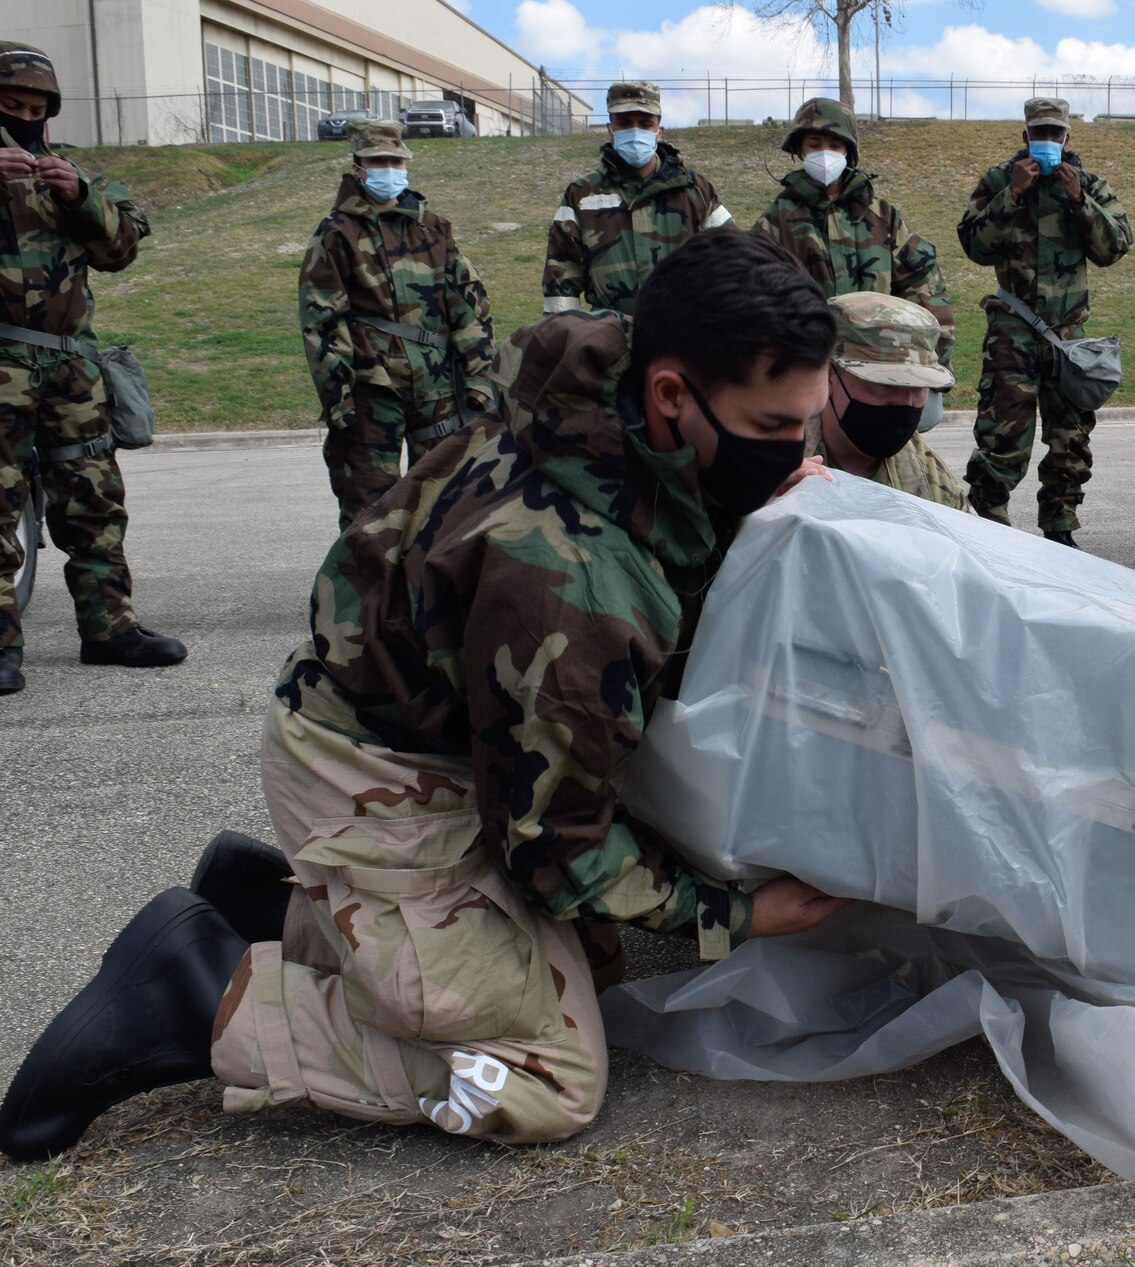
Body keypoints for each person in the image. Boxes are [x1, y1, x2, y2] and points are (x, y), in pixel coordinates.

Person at [0, 228, 850, 1161]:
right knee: (551, 1067)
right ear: (672, 395)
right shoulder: (575, 581)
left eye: (804, 423)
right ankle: (196, 991)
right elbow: (556, 852)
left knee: (587, 966)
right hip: (381, 771)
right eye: (772, 429)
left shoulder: (593, 412)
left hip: (421, 738)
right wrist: (735, 917)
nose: (794, 450)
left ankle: (280, 906)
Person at [0, 43, 185, 695]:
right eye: (10, 105)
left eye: (36, 107)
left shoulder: (68, 171)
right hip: (2, 363)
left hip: (72, 366)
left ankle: (110, 629)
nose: (25, 117)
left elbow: (122, 246)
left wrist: (78, 194)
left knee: (94, 498)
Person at [298, 119, 495, 529]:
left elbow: (466, 304)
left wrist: (480, 378)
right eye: (377, 161)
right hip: (373, 389)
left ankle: (433, 592)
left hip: (438, 388)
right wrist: (339, 399)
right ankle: (369, 593)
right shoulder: (337, 233)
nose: (388, 168)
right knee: (369, 509)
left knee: (446, 502)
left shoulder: (433, 228)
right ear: (358, 166)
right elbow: (323, 321)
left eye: (394, 160)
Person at [957, 98, 1131, 547]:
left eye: (1055, 134)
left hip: (1068, 335)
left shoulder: (1089, 185)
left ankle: (1060, 527)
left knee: (1070, 436)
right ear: (1025, 137)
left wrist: (1080, 201)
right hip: (1012, 329)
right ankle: (991, 522)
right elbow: (975, 245)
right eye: (1040, 134)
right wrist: (1011, 194)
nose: (1048, 142)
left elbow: (1114, 248)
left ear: (1068, 138)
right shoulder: (999, 181)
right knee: (1003, 435)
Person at [752, 97, 954, 382]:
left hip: (883, 369)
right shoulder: (776, 220)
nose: (825, 153)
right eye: (814, 144)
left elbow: (922, 286)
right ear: (799, 148)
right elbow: (752, 297)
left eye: (835, 145)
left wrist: (939, 362)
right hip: (806, 370)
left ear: (849, 150)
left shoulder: (883, 217)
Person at [542, 81, 731, 319]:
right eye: (624, 123)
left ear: (659, 131)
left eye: (644, 124)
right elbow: (560, 282)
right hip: (609, 344)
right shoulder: (580, 195)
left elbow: (733, 259)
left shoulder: (695, 191)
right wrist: (564, 339)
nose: (634, 131)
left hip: (684, 342)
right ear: (610, 129)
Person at [809, 292, 965, 509]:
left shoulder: (930, 480)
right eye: (888, 384)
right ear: (828, 376)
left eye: (919, 387)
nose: (906, 402)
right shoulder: (774, 463)